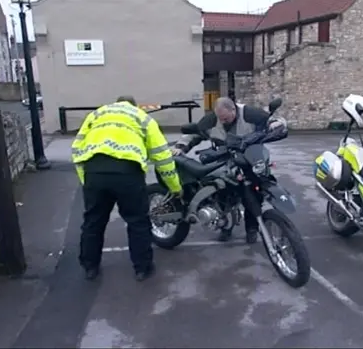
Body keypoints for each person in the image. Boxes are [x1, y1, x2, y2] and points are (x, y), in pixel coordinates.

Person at [72, 95, 182, 282]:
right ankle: (142, 268)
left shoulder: (97, 114)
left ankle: (90, 266)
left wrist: (86, 181)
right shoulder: (142, 117)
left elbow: (77, 149)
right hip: (127, 173)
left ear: (116, 103)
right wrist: (175, 187)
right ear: (134, 105)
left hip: (95, 171)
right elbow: (162, 157)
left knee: (93, 221)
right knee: (137, 222)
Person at [170, 97, 286, 244]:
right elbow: (195, 133)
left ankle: (252, 229)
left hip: (250, 157)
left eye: (226, 118)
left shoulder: (250, 114)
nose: (223, 121)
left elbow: (271, 120)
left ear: (233, 109)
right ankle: (226, 226)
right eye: (220, 118)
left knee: (252, 194)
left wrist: (276, 124)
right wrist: (180, 147)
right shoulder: (211, 120)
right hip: (225, 159)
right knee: (223, 193)